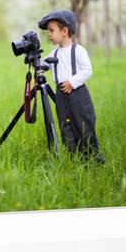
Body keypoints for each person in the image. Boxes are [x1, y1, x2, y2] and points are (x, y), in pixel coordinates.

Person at [38, 10, 105, 164]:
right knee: (65, 126)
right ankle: (74, 157)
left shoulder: (78, 51)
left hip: (78, 94)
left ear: (65, 31)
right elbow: (45, 64)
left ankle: (93, 158)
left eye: (51, 30)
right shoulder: (53, 53)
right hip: (61, 95)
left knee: (83, 124)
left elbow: (87, 70)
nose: (49, 34)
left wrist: (72, 82)